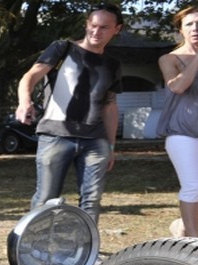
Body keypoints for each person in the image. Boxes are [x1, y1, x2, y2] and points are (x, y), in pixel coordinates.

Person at [15, 3, 124, 225]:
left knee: (92, 200)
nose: (96, 31)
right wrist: (24, 102)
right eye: (93, 25)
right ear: (86, 24)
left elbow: (110, 105)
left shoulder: (113, 64)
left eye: (104, 27)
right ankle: (33, 249)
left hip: (95, 140)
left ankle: (88, 253)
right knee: (46, 198)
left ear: (117, 29)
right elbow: (30, 76)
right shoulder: (63, 48)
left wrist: (111, 147)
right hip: (56, 134)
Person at [156, 6, 198, 238]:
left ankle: (181, 225)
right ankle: (192, 242)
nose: (195, 28)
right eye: (189, 24)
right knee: (193, 186)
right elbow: (177, 87)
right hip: (182, 132)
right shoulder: (169, 59)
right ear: (180, 30)